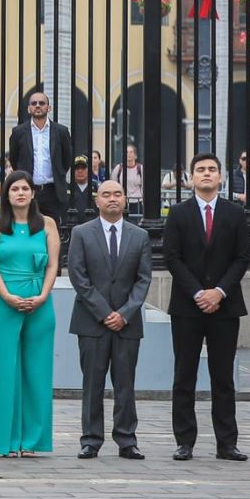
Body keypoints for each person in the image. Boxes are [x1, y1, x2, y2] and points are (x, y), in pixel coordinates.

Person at [162, 152, 250, 461]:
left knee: (223, 377)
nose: (207, 174)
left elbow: (242, 258)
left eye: (212, 169)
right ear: (191, 178)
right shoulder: (178, 213)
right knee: (184, 375)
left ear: (221, 177)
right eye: (200, 170)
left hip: (225, 307)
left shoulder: (235, 213)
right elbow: (171, 257)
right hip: (188, 306)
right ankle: (184, 441)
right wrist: (199, 292)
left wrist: (220, 292)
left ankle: (227, 443)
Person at [67, 180, 151, 460]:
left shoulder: (139, 236)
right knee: (93, 382)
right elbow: (78, 276)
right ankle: (91, 439)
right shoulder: (81, 233)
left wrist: (124, 313)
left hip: (127, 323)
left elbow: (143, 280)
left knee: (125, 383)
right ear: (97, 201)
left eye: (117, 194)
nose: (112, 199)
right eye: (106, 194)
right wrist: (104, 313)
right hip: (92, 321)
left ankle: (127, 440)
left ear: (125, 200)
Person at [0, 172, 60, 457]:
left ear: (33, 193)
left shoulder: (48, 224)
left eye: (25, 188)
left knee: (37, 372)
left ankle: (33, 441)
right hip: (4, 301)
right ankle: (5, 441)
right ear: (6, 194)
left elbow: (52, 266)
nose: (21, 193)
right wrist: (6, 296)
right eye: (15, 189)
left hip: (39, 300)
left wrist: (42, 296)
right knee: (4, 373)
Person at [7, 89, 74, 229]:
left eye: (42, 103)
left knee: (52, 231)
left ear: (49, 108)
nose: (38, 106)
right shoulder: (18, 132)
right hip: (27, 190)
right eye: (34, 103)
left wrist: (58, 172)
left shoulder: (61, 131)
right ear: (29, 108)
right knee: (25, 229)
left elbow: (67, 159)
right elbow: (14, 159)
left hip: (52, 191)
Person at [64, 157, 99, 236]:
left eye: (83, 168)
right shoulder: (67, 189)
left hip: (93, 231)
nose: (80, 171)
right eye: (77, 168)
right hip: (71, 230)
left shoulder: (96, 188)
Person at [119, 143, 144, 216]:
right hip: (123, 201)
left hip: (137, 201)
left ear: (135, 156)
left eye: (131, 152)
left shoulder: (140, 168)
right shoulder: (119, 168)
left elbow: (144, 185)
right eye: (126, 152)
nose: (128, 154)